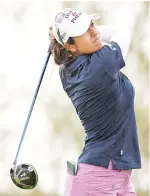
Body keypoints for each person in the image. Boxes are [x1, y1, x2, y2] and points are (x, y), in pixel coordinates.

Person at [49, 8, 141, 196]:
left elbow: (86, 43)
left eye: (91, 24)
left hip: (113, 177)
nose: (94, 32)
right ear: (71, 46)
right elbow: (121, 32)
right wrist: (60, 35)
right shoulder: (102, 64)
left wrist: (62, 36)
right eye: (84, 31)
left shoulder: (67, 70)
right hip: (97, 180)